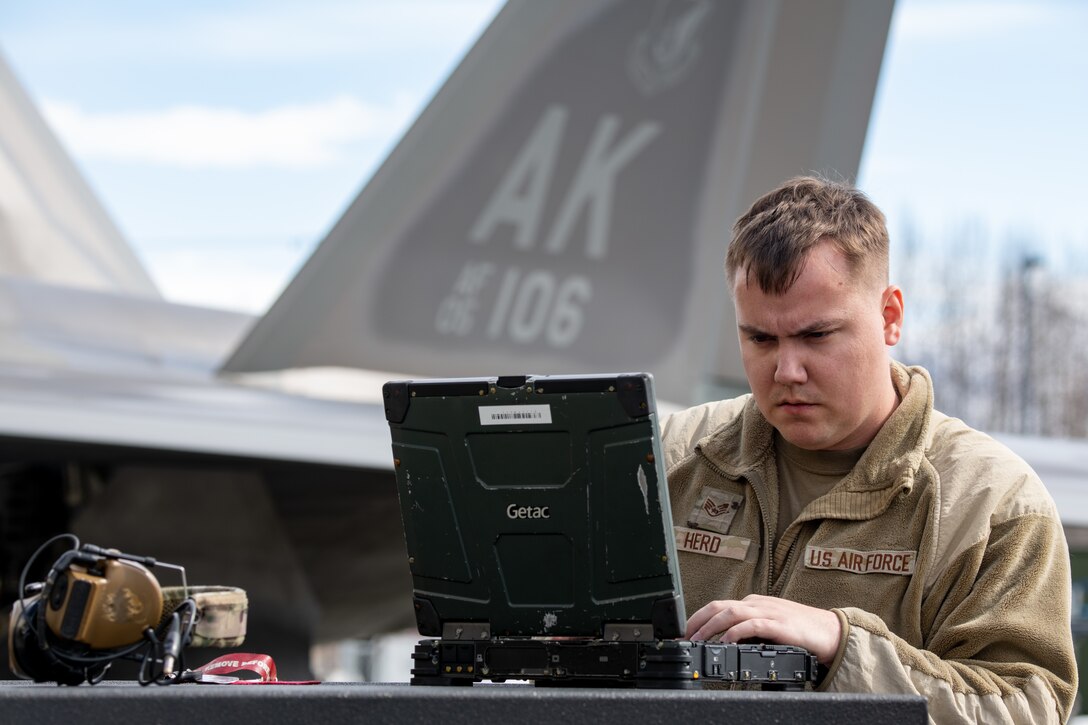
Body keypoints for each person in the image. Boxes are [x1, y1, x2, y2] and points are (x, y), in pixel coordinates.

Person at [661, 176, 1077, 722]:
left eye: (816, 336)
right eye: (760, 338)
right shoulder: (666, 459)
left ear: (890, 316)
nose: (787, 370)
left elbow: (1026, 708)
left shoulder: (992, 504)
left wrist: (843, 645)